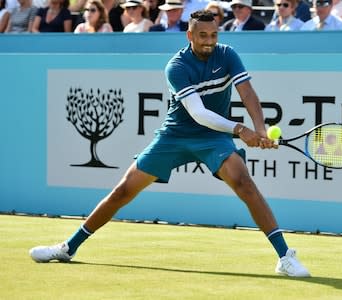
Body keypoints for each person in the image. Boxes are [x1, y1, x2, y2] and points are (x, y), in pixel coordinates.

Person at [29, 9, 310, 278]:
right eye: (203, 36)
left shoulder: (228, 55)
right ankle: (69, 247)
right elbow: (198, 113)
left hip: (212, 138)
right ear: (190, 36)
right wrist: (240, 129)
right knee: (123, 191)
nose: (210, 41)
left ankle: (285, 257)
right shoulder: (176, 67)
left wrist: (259, 128)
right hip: (175, 135)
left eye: (214, 35)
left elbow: (247, 93)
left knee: (243, 182)